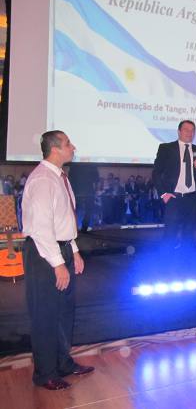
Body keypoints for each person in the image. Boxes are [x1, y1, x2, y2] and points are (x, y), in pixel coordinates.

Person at [21, 131, 94, 390]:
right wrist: (58, 263)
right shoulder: (43, 179)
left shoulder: (59, 177)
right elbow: (41, 228)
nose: (73, 147)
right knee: (46, 315)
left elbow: (63, 221)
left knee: (63, 312)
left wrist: (73, 251)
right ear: (55, 149)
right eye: (68, 144)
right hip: (44, 254)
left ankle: (62, 363)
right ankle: (45, 373)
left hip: (60, 249)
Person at [152, 120, 196, 250]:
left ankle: (186, 260)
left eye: (192, 130)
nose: (189, 133)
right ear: (179, 132)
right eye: (186, 130)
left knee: (189, 235)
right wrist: (164, 194)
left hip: (192, 199)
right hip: (174, 198)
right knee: (170, 234)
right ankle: (166, 260)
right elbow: (156, 173)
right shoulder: (166, 148)